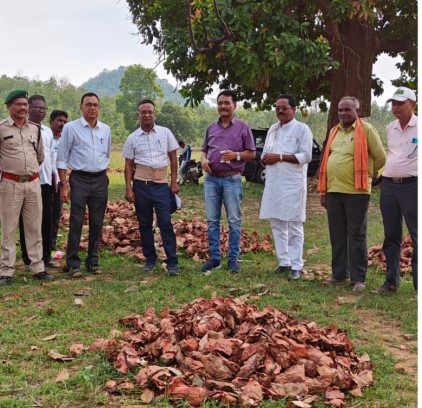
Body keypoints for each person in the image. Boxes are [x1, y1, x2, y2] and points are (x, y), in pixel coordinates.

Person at [318, 96, 386, 291]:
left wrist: (368, 174)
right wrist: (324, 192)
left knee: (356, 235)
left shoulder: (366, 130)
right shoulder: (334, 131)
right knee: (337, 235)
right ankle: (339, 274)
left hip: (357, 192)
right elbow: (328, 158)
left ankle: (358, 278)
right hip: (333, 191)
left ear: (357, 110)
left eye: (347, 110)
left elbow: (381, 157)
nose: (343, 114)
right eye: (340, 110)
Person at [0, 89, 54, 285]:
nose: (22, 108)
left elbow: (40, 156)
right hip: (9, 184)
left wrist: (28, 173)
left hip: (32, 184)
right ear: (8, 107)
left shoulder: (35, 129)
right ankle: (6, 271)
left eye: (24, 104)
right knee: (9, 228)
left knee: (34, 227)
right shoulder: (2, 129)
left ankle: (37, 268)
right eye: (18, 104)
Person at [200, 90, 256, 274]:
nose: (223, 106)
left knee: (234, 220)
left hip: (232, 179)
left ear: (234, 105)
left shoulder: (242, 127)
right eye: (220, 103)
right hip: (211, 180)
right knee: (212, 220)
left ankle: (232, 258)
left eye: (227, 103)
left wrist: (236, 155)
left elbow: (252, 153)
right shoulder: (211, 128)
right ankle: (215, 258)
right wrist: (203, 160)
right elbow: (204, 150)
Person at [122, 99, 180, 276]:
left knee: (165, 223)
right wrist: (128, 189)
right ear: (138, 115)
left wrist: (174, 182)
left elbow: (173, 159)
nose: (147, 115)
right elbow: (128, 165)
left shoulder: (165, 133)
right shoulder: (132, 137)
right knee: (145, 224)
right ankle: (150, 259)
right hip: (141, 185)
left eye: (150, 112)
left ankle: (172, 262)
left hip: (161, 185)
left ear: (155, 114)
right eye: (143, 112)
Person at [259, 94, 313, 280]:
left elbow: (306, 156)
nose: (280, 111)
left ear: (294, 109)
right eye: (277, 107)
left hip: (293, 184)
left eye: (284, 108)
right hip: (274, 183)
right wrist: (265, 158)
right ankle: (284, 261)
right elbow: (267, 152)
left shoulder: (301, 129)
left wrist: (279, 157)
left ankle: (296, 265)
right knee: (276, 222)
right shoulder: (273, 129)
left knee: (294, 224)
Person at [56, 92, 111, 277]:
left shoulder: (106, 130)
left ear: (99, 107)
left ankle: (92, 261)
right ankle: (73, 263)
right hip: (79, 179)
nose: (92, 107)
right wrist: (64, 184)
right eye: (88, 104)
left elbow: (107, 154)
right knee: (76, 220)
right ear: (81, 107)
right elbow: (62, 159)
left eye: (95, 104)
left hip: (100, 180)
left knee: (97, 221)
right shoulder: (71, 128)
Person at [373, 87, 418, 293]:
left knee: (417, 236)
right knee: (391, 235)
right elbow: (393, 155)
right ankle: (391, 281)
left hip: (413, 186)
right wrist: (383, 176)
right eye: (393, 103)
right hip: (390, 187)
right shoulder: (390, 128)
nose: (396, 107)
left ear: (413, 104)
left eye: (401, 103)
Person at [19, 95, 60, 269]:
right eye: (37, 107)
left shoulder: (47, 131)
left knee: (47, 220)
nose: (41, 111)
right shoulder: (22, 128)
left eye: (44, 108)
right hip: (27, 181)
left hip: (45, 183)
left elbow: (50, 156)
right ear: (28, 108)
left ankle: (45, 256)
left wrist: (55, 179)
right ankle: (28, 258)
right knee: (27, 222)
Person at [50, 110, 68, 251]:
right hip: (44, 182)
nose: (62, 124)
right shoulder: (45, 136)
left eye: (64, 121)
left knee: (56, 214)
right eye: (59, 120)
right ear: (51, 121)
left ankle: (52, 245)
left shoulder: (65, 139)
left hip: (60, 182)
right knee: (43, 215)